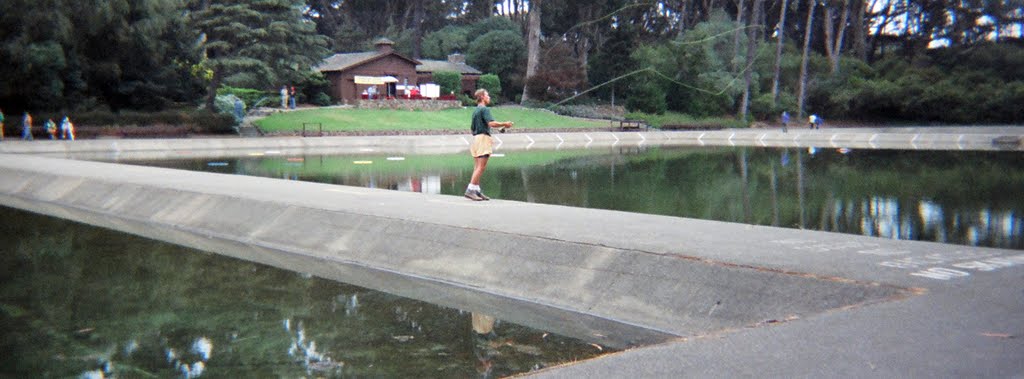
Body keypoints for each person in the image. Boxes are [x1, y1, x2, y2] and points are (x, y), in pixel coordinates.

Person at [465, 89, 513, 201]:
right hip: (483, 140)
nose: (489, 97)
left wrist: (500, 128)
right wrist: (505, 123)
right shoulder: (485, 109)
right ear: (482, 97)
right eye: (487, 95)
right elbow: (491, 123)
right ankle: (470, 190)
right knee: (481, 167)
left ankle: (476, 190)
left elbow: (472, 129)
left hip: (476, 139)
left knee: (477, 167)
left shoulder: (475, 111)